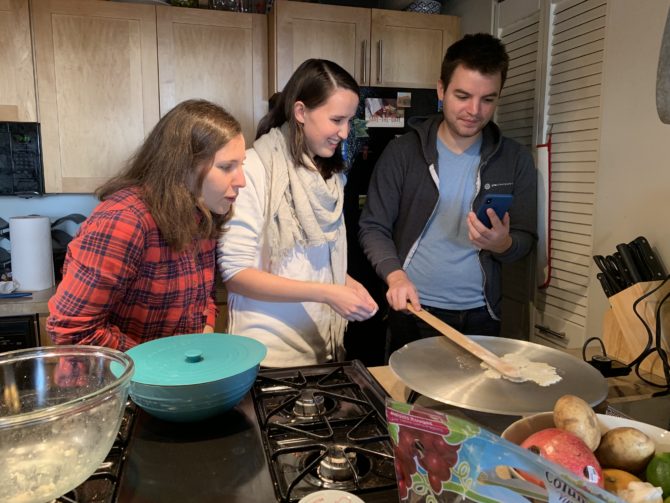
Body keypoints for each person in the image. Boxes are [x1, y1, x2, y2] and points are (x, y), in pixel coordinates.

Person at [358, 33, 537, 361]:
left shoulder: (515, 159)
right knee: (411, 410)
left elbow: (525, 239)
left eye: (487, 99)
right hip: (415, 311)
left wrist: (503, 245)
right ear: (441, 90)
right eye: (463, 95)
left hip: (484, 317)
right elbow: (372, 226)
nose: (474, 110)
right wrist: (395, 276)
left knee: (473, 411)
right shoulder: (403, 152)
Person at [47, 99, 246, 350]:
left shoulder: (203, 214)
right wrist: (156, 368)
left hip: (168, 382)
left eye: (241, 165)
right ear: (183, 165)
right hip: (117, 384)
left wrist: (202, 336)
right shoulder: (123, 221)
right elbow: (71, 329)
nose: (242, 181)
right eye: (227, 167)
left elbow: (200, 297)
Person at [217, 59, 378, 368]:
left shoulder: (328, 178)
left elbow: (307, 261)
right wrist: (329, 293)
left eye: (349, 121)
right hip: (266, 357)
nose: (345, 132)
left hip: (321, 351)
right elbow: (236, 276)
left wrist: (343, 281)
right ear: (301, 112)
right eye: (336, 119)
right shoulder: (254, 170)